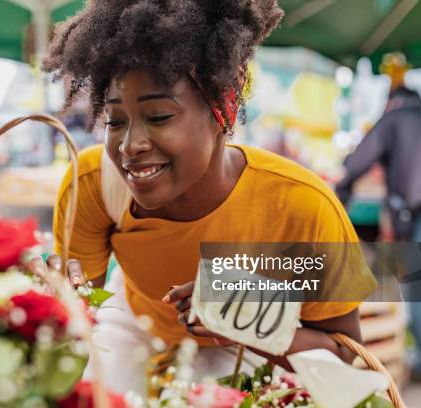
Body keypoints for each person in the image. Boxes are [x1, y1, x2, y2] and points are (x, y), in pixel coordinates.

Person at [43, 0, 375, 394]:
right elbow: (76, 324)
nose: (129, 145)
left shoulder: (302, 207)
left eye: (159, 117)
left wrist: (244, 316)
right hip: (135, 328)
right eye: (116, 121)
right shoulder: (94, 182)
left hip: (254, 353)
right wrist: (52, 297)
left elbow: (343, 352)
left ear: (223, 111)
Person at [336, 86, 421, 388]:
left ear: (391, 104)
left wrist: (340, 194)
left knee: (420, 290)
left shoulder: (394, 120)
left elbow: (360, 158)